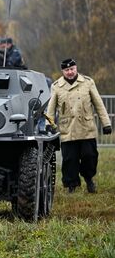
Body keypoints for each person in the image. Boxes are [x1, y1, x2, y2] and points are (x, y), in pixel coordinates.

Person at [46, 58, 112, 193]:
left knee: (90, 156)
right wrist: (49, 124)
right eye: (66, 70)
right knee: (70, 160)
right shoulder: (56, 86)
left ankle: (89, 179)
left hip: (86, 128)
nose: (70, 72)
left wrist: (106, 123)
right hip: (68, 129)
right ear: (62, 71)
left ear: (76, 68)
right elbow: (51, 109)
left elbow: (98, 104)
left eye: (72, 69)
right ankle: (71, 185)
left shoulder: (87, 82)